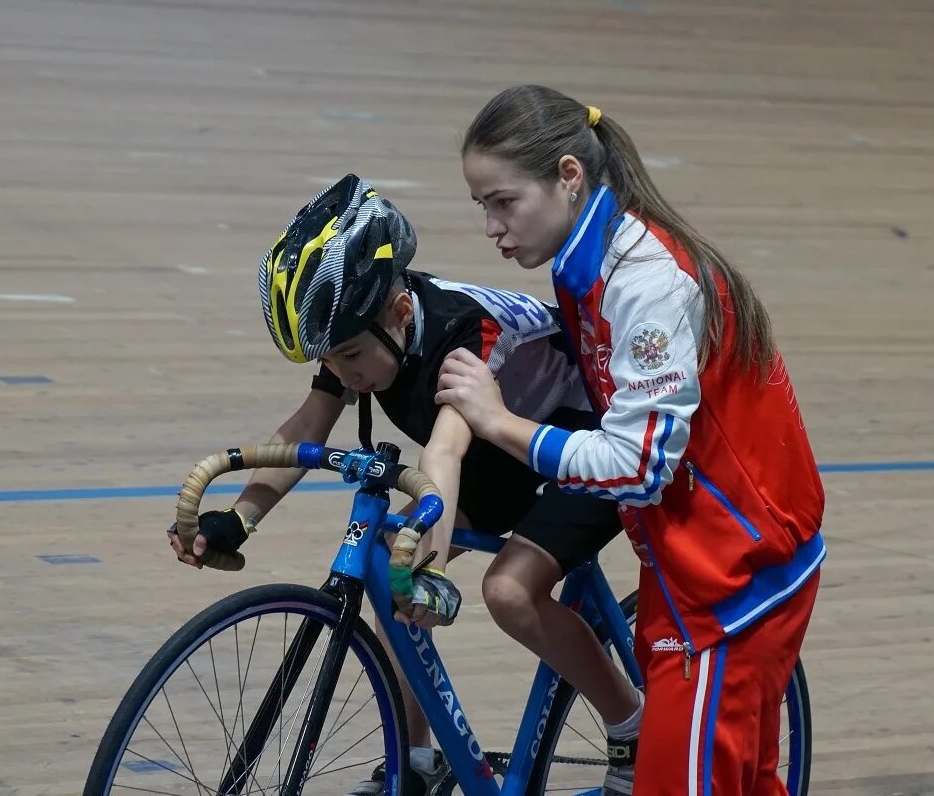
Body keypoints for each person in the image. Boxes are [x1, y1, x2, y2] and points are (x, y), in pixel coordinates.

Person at [168, 174, 640, 796]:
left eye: (350, 359)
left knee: (507, 592)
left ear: (398, 312)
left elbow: (443, 454)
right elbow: (307, 426)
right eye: (331, 361)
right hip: (503, 455)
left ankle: (631, 725)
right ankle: (418, 763)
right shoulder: (360, 333)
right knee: (397, 569)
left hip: (586, 447)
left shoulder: (464, 336)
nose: (343, 374)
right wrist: (242, 516)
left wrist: (429, 573)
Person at [436, 86, 826, 795]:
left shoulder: (645, 283)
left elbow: (639, 465)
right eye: (480, 206)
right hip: (692, 563)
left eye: (502, 201)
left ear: (568, 176)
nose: (490, 226)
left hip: (732, 584)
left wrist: (498, 422)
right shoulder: (584, 258)